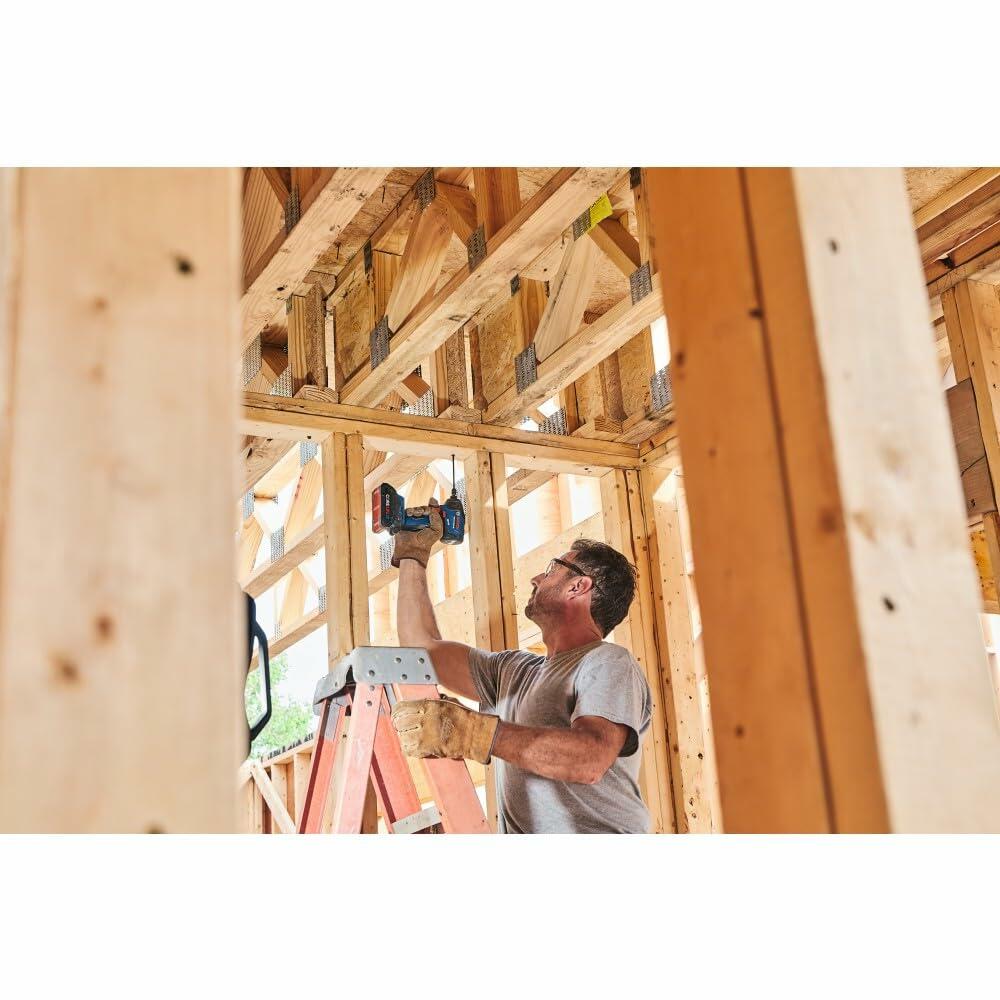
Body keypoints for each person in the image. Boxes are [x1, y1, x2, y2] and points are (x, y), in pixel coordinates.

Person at [390, 498, 652, 834]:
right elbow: (421, 649)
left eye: (551, 570)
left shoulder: (608, 663)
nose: (535, 579)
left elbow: (591, 759)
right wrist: (414, 552)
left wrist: (475, 732)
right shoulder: (512, 672)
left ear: (578, 586)